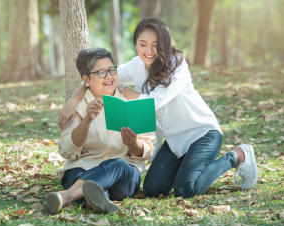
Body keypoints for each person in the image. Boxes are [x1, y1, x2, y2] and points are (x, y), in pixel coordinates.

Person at [58, 18, 258, 199]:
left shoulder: (177, 64)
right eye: (143, 44)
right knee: (153, 190)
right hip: (174, 140)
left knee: (185, 188)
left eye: (155, 45)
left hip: (202, 133)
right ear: (135, 44)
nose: (149, 51)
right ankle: (187, 166)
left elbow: (153, 102)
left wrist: (125, 90)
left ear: (164, 44)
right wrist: (73, 100)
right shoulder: (136, 65)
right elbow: (102, 75)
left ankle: (238, 155)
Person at [44, 48, 156, 214]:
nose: (109, 76)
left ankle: (67, 196)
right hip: (82, 169)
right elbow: (66, 150)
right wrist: (88, 120)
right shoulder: (77, 107)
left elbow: (147, 151)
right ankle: (95, 200)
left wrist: (133, 142)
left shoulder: (132, 103)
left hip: (124, 175)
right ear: (86, 79)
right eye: (101, 72)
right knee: (86, 182)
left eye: (112, 70)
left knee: (117, 164)